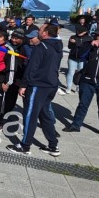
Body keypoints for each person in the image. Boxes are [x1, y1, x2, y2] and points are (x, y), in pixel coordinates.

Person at [8, 24, 63, 155]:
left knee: (30, 114)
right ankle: (53, 145)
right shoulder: (58, 47)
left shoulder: (41, 47)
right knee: (45, 115)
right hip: (51, 85)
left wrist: (23, 85)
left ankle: (25, 145)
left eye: (40, 30)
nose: (38, 32)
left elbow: (32, 68)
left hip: (39, 85)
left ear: (45, 33)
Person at [66, 24, 91, 93]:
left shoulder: (89, 38)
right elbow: (69, 47)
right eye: (77, 31)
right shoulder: (73, 37)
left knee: (81, 74)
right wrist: (71, 43)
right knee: (70, 72)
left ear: (85, 32)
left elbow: (85, 47)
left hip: (83, 59)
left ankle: (78, 87)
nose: (78, 33)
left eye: (80, 32)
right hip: (73, 57)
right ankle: (68, 87)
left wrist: (76, 42)